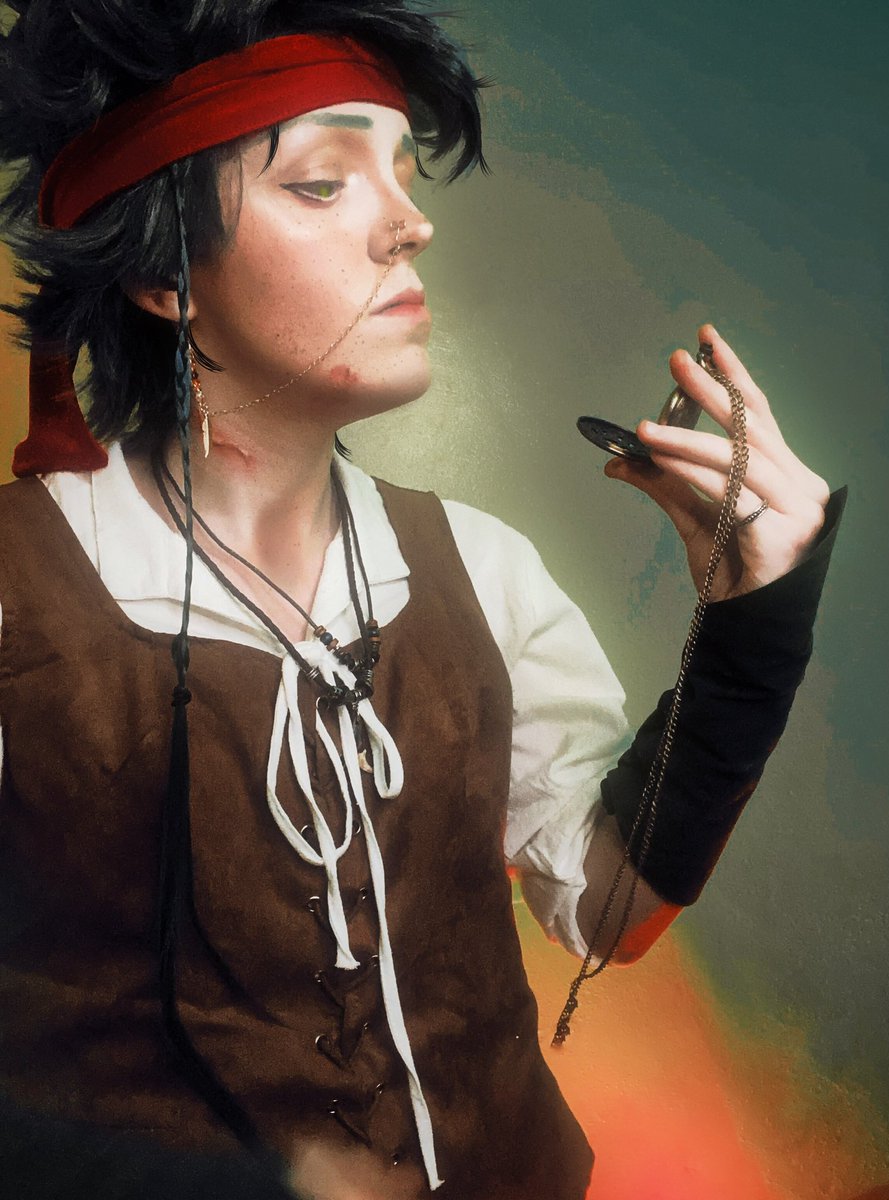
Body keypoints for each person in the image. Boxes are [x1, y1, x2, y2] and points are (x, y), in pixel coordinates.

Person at [0, 2, 844, 1198]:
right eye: (322, 182)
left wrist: (755, 627)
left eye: (402, 171)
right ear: (159, 272)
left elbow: (608, 913)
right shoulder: (18, 598)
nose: (412, 223)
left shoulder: (479, 569)